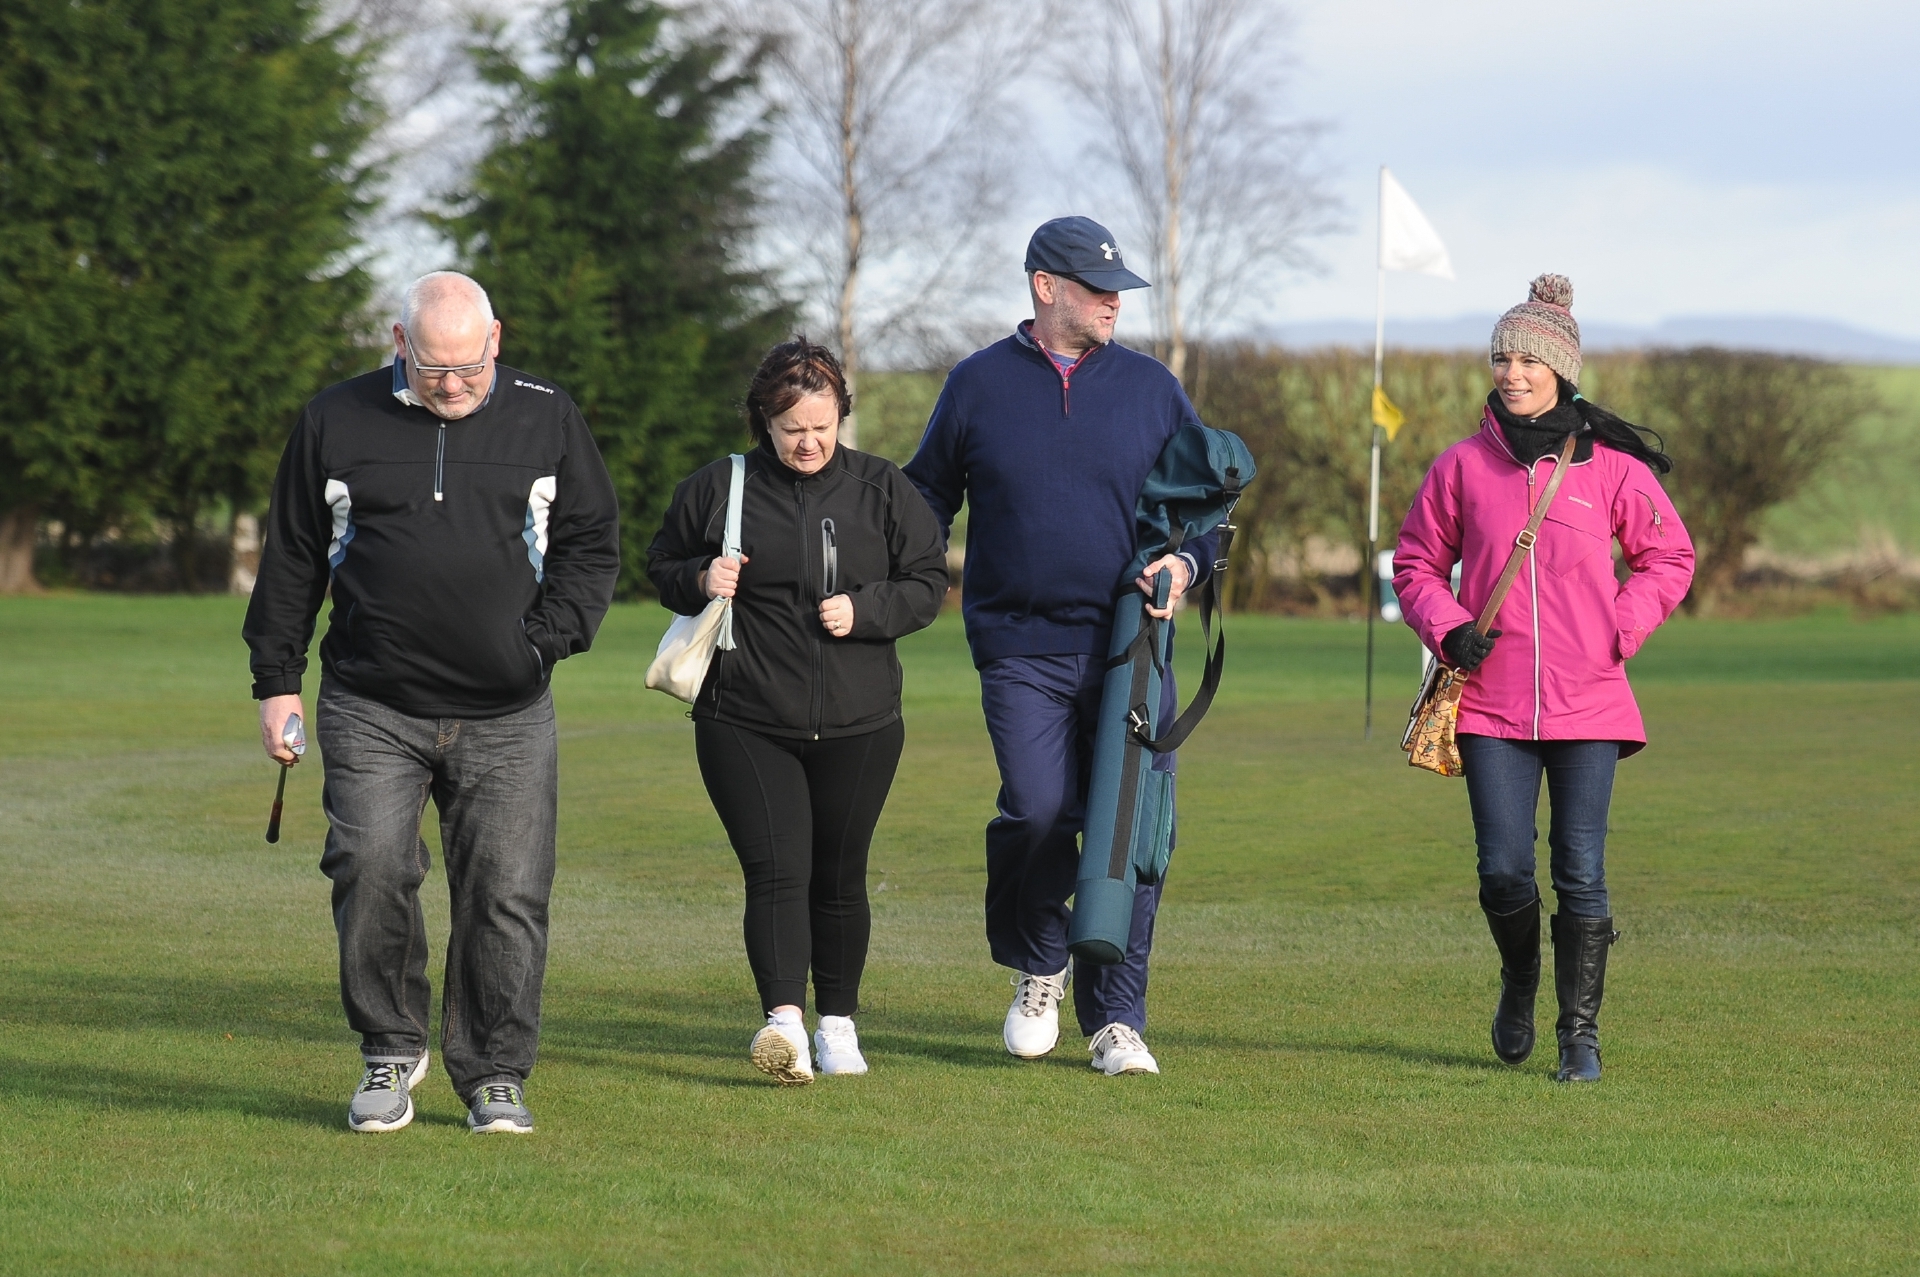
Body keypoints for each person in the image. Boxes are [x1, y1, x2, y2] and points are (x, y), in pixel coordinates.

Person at [242, 271, 620, 1133]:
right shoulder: (335, 419)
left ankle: (493, 1072)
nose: (451, 386)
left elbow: (593, 545)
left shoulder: (547, 413)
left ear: (496, 340)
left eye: (468, 368)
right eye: (432, 368)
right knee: (371, 865)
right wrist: (276, 681)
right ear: (399, 342)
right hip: (372, 701)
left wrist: (544, 640)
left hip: (509, 711)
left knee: (508, 893)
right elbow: (294, 556)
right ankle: (388, 1048)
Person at [903, 216, 1215, 1077]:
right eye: (1096, 286)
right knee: (1039, 810)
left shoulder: (1152, 389)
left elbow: (1205, 507)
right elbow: (924, 497)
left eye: (1118, 287)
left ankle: (1116, 1020)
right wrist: (883, 578)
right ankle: (1040, 964)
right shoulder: (975, 385)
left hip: (1131, 646)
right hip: (1018, 644)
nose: (1116, 301)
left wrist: (1188, 559)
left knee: (1129, 830)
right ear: (1046, 287)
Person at [1393, 274, 1695, 1082]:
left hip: (1591, 702)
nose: (1513, 371)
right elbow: (1417, 562)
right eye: (1502, 356)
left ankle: (1579, 1037)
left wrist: (1620, 627)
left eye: (1529, 358)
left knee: (1581, 868)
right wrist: (1449, 625)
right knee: (1502, 869)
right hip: (1489, 707)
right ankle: (1519, 976)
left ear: (1562, 367)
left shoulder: (1613, 469)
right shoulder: (1460, 467)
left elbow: (1670, 556)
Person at [647, 339, 947, 1085]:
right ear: (763, 422)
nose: (809, 442)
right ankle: (782, 1023)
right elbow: (659, 568)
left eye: (822, 425)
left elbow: (927, 582)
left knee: (840, 875)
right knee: (777, 871)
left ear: (841, 413)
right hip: (743, 718)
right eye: (792, 429)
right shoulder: (719, 487)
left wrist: (867, 608)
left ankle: (837, 1026)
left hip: (862, 723)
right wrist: (699, 575)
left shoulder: (883, 488)